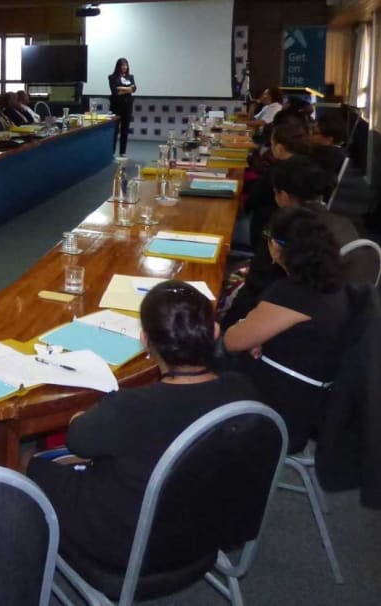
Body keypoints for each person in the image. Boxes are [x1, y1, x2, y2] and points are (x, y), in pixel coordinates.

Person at [26, 281, 256, 572]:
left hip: (127, 545)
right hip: (206, 529)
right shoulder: (242, 390)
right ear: (214, 332)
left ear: (145, 340)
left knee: (28, 464)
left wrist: (79, 417)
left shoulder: (131, 407)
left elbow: (77, 440)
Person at [224, 207, 350, 453]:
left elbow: (232, 341)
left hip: (280, 412)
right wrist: (257, 337)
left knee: (208, 349)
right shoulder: (333, 285)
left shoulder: (290, 293)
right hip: (314, 400)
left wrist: (247, 332)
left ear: (276, 246)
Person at [220, 156, 355, 328]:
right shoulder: (344, 223)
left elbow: (257, 282)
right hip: (334, 314)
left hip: (277, 314)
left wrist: (228, 324)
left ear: (283, 195)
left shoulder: (283, 228)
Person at [108, 58, 137, 157]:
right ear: (118, 66)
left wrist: (122, 88)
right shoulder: (112, 77)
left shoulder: (130, 77)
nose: (124, 67)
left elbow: (134, 89)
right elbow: (115, 92)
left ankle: (122, 152)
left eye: (126, 65)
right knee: (115, 130)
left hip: (127, 106)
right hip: (116, 106)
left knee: (125, 129)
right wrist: (128, 89)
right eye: (122, 65)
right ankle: (111, 152)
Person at [309, 113, 349, 177]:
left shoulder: (322, 156)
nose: (310, 135)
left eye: (315, 133)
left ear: (329, 139)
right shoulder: (339, 152)